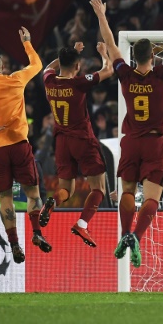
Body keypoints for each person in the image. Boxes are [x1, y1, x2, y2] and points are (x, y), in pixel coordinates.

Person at [90, 0, 163, 268]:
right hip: (154, 143)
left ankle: (125, 233)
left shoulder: (124, 73)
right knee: (152, 198)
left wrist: (102, 15)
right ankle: (136, 237)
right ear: (153, 56)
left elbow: (112, 45)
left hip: (129, 142)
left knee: (127, 192)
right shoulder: (161, 73)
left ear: (134, 57)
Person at [0, 27, 50, 264]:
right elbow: (36, 65)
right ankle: (36, 233)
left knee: (5, 199)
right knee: (33, 193)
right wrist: (27, 43)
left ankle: (14, 243)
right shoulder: (16, 79)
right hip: (20, 145)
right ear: (2, 68)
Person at [38, 41, 114, 248]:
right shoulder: (79, 83)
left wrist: (69, 52)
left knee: (66, 190)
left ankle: (52, 202)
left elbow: (48, 68)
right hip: (82, 140)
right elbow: (108, 70)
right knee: (98, 188)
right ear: (78, 66)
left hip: (61, 142)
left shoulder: (49, 80)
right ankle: (82, 224)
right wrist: (103, 53)